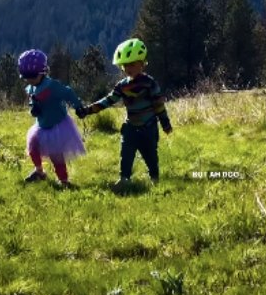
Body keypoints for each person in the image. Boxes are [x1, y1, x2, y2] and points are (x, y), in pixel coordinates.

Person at [76, 38, 172, 185]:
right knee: (126, 153)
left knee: (150, 155)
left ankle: (154, 178)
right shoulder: (122, 86)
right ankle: (124, 179)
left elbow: (158, 105)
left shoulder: (149, 83)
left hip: (149, 128)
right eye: (125, 65)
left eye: (132, 64)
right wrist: (88, 110)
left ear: (142, 63)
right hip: (131, 128)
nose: (128, 68)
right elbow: (107, 101)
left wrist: (165, 123)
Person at [19, 49, 86, 186]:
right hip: (41, 125)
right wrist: (34, 109)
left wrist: (78, 106)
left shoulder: (52, 86)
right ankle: (39, 172)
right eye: (26, 77)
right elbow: (34, 103)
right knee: (32, 147)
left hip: (57, 126)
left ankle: (64, 180)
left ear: (43, 73)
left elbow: (68, 93)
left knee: (56, 156)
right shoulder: (32, 87)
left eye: (32, 76)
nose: (29, 80)